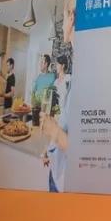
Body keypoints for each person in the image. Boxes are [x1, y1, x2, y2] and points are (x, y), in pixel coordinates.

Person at [41, 55, 71, 193]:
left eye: (58, 64)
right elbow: (52, 104)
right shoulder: (55, 82)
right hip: (56, 123)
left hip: (63, 126)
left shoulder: (69, 80)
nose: (56, 66)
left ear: (63, 65)